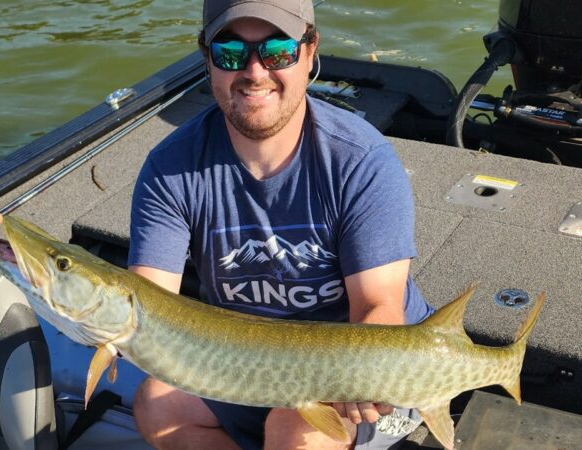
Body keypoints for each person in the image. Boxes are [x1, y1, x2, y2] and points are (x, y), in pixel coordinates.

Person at [128, 0, 434, 448]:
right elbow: (149, 306)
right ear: (207, 59)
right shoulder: (169, 169)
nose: (254, 72)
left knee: (291, 431)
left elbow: (378, 304)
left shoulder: (361, 161)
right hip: (248, 366)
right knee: (158, 406)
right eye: (230, 52)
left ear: (310, 52)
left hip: (354, 368)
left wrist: (365, 379)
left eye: (277, 52)